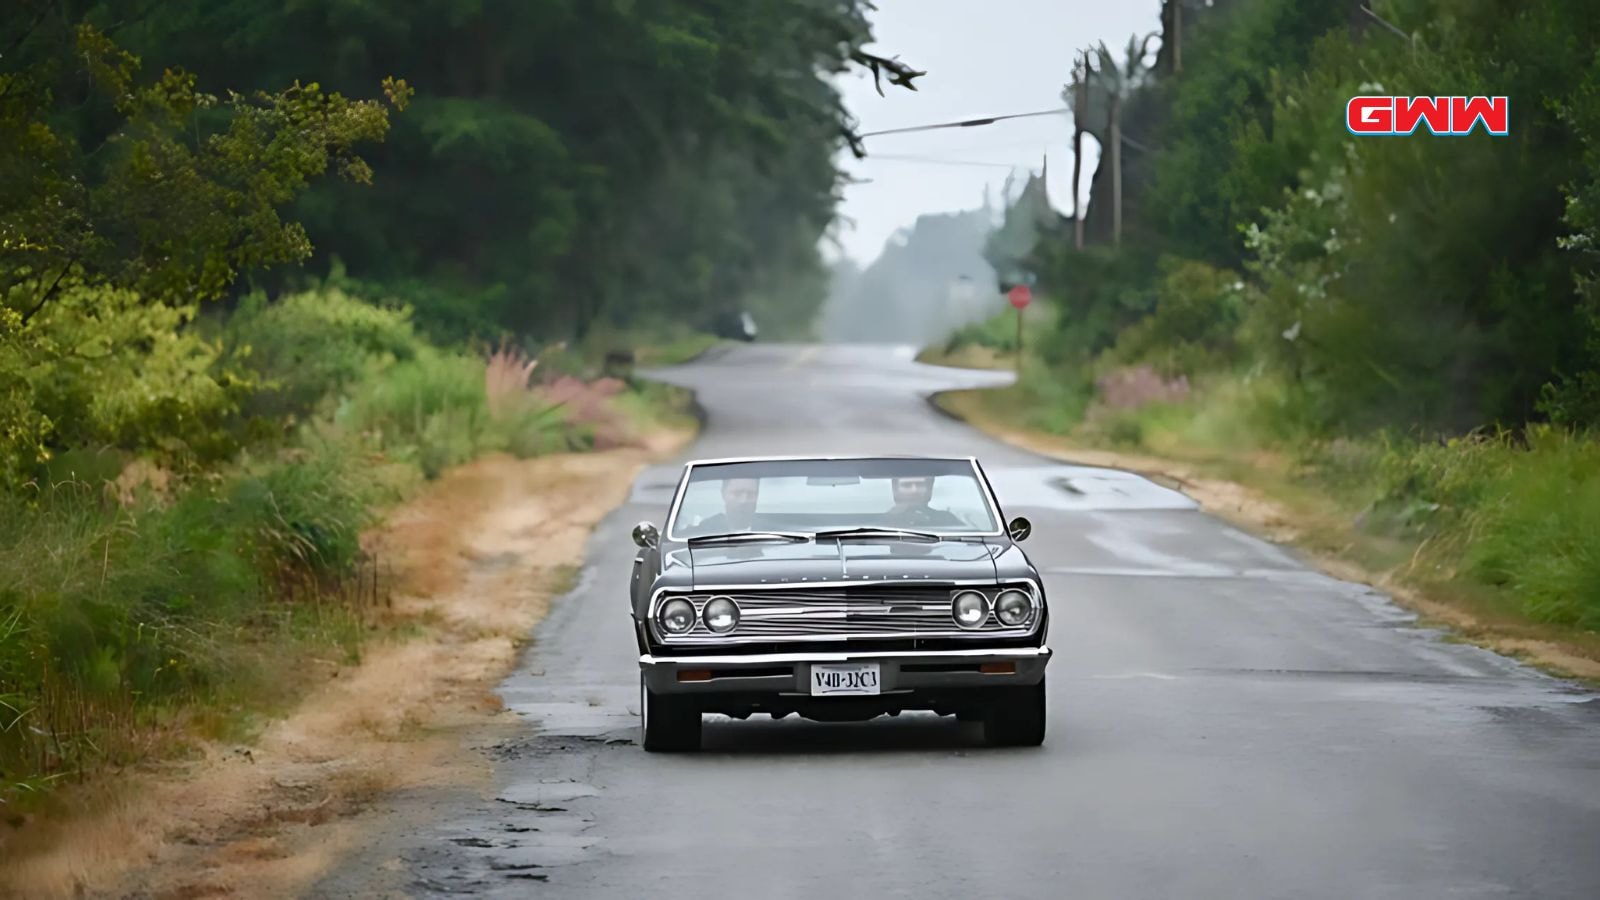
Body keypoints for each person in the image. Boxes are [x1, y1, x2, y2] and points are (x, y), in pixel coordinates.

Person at [883, 475, 965, 528]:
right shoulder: (880, 524)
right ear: (895, 489)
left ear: (929, 489)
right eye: (906, 485)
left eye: (919, 485)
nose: (914, 490)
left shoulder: (947, 520)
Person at [693, 477, 761, 533]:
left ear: (757, 495)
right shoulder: (703, 532)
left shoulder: (770, 529)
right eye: (737, 493)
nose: (743, 501)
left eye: (751, 494)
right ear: (723, 494)